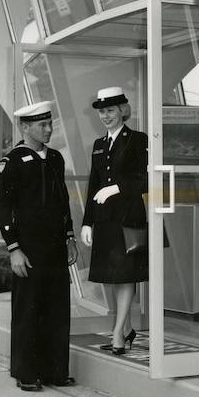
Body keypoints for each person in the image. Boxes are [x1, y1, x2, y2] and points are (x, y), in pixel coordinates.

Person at [0, 101, 77, 391]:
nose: (48, 129)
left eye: (50, 123)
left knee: (57, 308)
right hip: (28, 248)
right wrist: (13, 248)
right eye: (42, 125)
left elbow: (63, 201)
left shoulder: (55, 158)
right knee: (28, 309)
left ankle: (56, 370)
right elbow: (3, 209)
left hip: (55, 246)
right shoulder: (13, 161)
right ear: (25, 127)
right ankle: (26, 372)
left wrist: (69, 237)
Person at [80, 87, 149, 356]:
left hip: (128, 219)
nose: (105, 116)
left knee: (125, 275)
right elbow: (93, 186)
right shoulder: (99, 145)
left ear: (122, 110)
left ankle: (118, 333)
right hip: (105, 220)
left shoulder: (138, 140)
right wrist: (88, 222)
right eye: (101, 112)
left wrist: (117, 188)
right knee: (115, 276)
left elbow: (145, 178)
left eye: (110, 110)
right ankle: (127, 329)